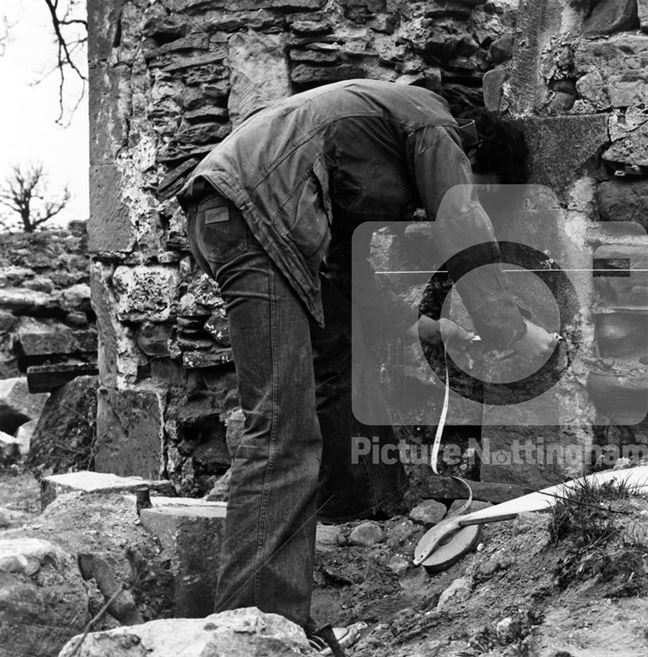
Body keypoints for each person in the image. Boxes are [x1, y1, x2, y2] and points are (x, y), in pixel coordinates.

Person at [177, 79, 556, 653]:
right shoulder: (433, 124)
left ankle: (318, 542)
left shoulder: (371, 147)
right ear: (473, 156)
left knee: (331, 366)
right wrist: (512, 331)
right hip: (252, 218)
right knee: (281, 426)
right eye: (485, 190)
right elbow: (461, 223)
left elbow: (351, 276)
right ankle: (253, 629)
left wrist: (430, 328)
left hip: (238, 215)